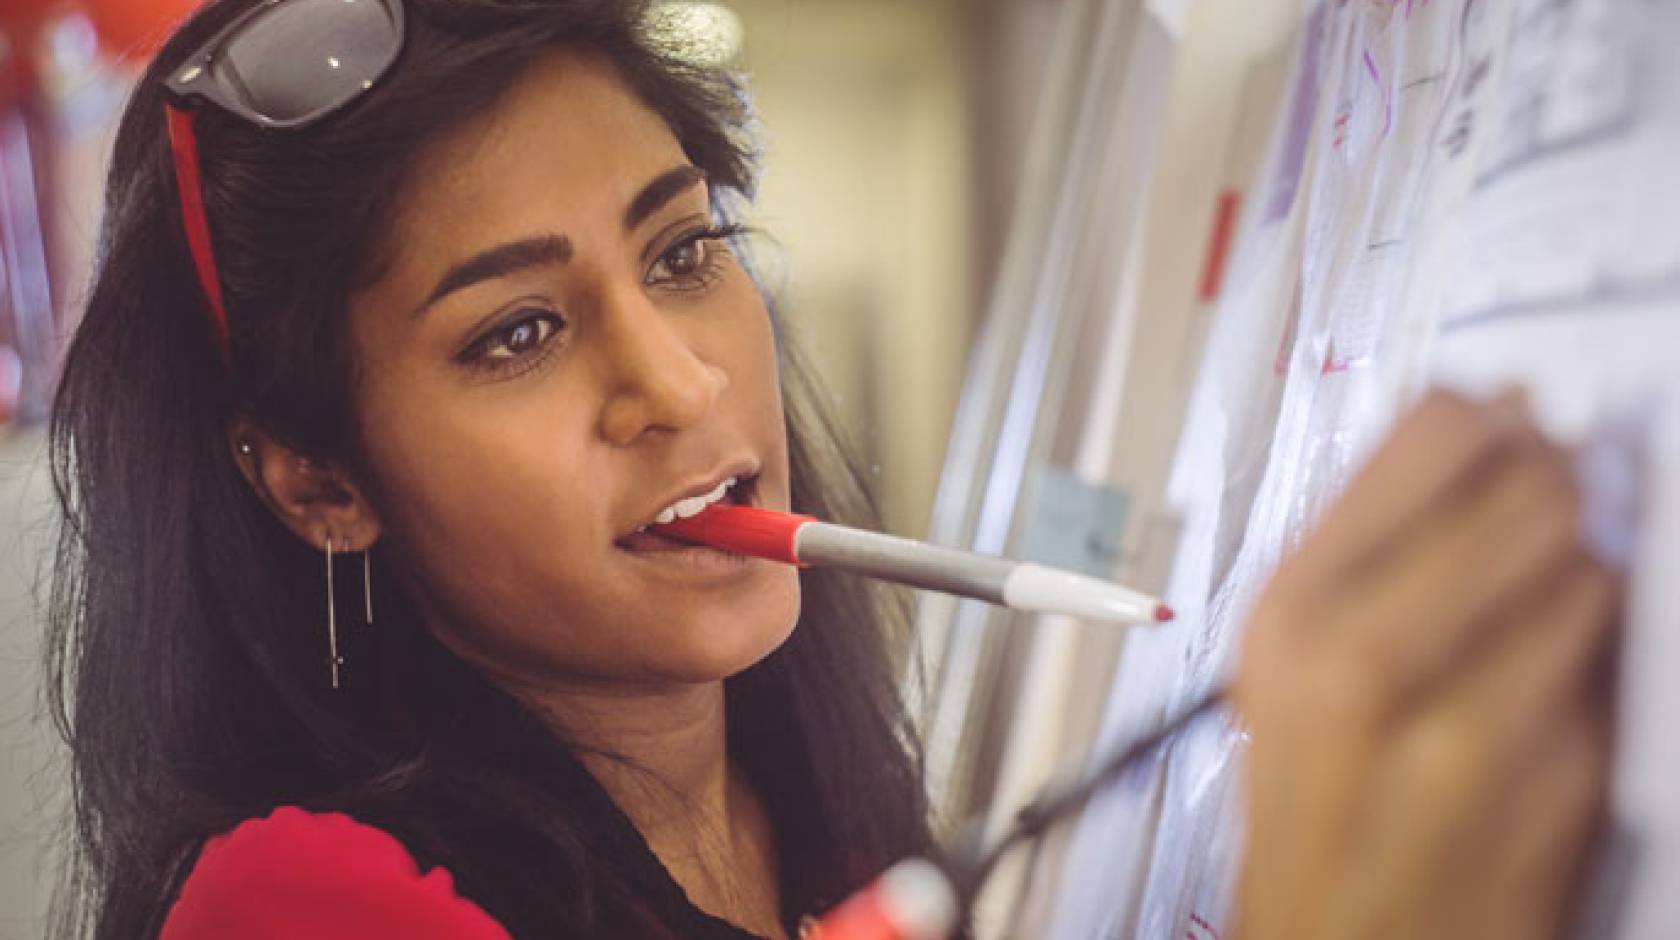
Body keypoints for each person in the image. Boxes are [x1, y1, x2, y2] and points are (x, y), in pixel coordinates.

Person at [43, 1, 1620, 938]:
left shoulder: (829, 800)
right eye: (519, 334)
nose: (677, 382)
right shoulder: (303, 907)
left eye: (682, 252)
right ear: (316, 480)